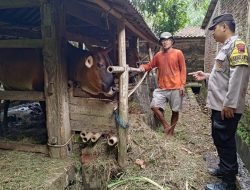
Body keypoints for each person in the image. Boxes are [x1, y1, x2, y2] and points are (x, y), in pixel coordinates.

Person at [189, 13, 250, 190]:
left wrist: (230, 103)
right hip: (220, 105)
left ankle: (229, 183)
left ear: (224, 27)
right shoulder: (226, 47)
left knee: (225, 140)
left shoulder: (237, 46)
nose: (213, 33)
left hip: (227, 107)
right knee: (219, 137)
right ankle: (224, 169)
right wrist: (206, 76)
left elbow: (238, 77)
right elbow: (224, 76)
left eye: (214, 29)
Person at [139, 32, 186, 136]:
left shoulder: (178, 53)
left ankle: (171, 133)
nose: (165, 42)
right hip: (162, 88)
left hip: (176, 87)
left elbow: (183, 69)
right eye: (163, 41)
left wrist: (182, 85)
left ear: (172, 41)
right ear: (161, 43)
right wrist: (143, 67)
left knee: (175, 111)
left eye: (167, 40)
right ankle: (166, 125)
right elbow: (150, 65)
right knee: (154, 106)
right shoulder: (158, 55)